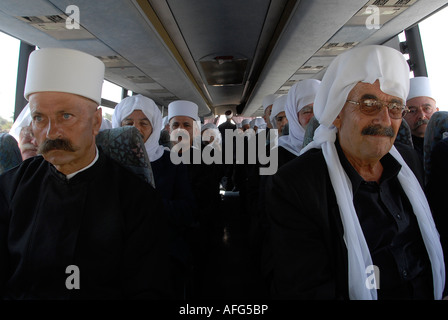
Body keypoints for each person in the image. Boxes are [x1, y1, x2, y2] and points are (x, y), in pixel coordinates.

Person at [263, 45, 445, 300]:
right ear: (337, 112)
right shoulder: (296, 185)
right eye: (369, 104)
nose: (383, 119)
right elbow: (308, 288)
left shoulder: (408, 161)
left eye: (394, 107)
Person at [0, 47, 174, 299]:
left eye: (66, 116)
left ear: (95, 122)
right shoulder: (9, 188)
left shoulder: (137, 200)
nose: (51, 132)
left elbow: (148, 288)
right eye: (39, 118)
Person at [112, 94, 196, 299]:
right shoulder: (107, 162)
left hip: (162, 254)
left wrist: (149, 203)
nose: (135, 129)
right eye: (128, 122)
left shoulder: (171, 161)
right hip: (115, 258)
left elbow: (187, 210)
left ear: (155, 126)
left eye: (144, 123)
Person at [277, 79, 321, 168]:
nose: (315, 118)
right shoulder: (278, 155)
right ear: (294, 118)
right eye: (307, 111)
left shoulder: (340, 145)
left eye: (320, 109)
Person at [404, 76, 438, 163]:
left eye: (427, 109)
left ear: (437, 111)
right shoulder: (400, 152)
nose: (422, 116)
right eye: (412, 111)